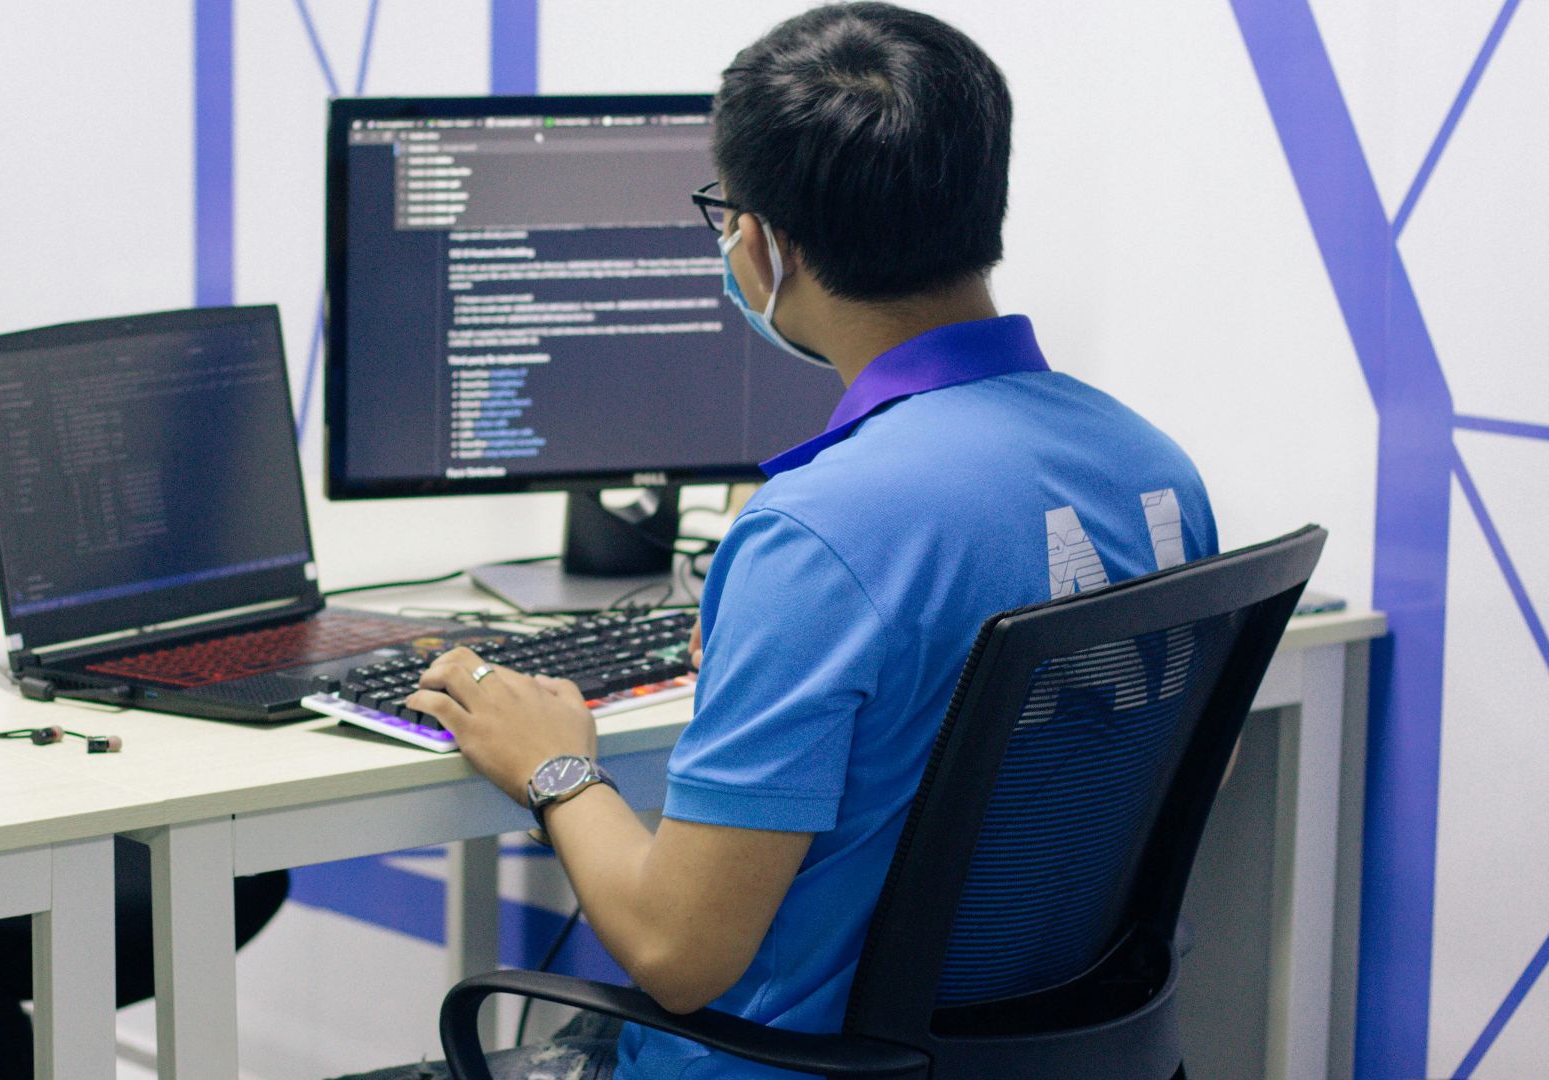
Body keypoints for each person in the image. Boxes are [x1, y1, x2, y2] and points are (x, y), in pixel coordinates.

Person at [343, 4, 1215, 1078]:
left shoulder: (819, 535)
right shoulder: (1154, 467)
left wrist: (557, 768)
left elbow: (679, 956)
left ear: (762, 241)